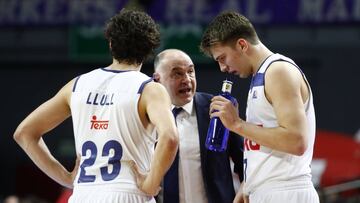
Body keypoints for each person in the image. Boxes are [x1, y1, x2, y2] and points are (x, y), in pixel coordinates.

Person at [13, 9, 179, 203]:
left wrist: (65, 178)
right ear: (150, 48)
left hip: (83, 194)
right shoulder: (149, 89)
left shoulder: (77, 85)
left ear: (110, 44)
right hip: (128, 192)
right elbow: (170, 137)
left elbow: (24, 133)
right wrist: (151, 183)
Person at [200, 11, 319, 203]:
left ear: (241, 45)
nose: (222, 68)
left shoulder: (278, 71)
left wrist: (237, 124)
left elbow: (296, 141)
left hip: (286, 192)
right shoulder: (261, 76)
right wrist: (249, 185)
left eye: (222, 58)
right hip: (267, 191)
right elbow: (265, 143)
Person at [152, 49, 243, 203]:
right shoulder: (147, 116)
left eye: (190, 71)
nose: (187, 79)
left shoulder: (219, 110)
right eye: (177, 73)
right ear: (157, 79)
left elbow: (245, 164)